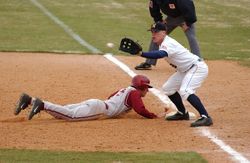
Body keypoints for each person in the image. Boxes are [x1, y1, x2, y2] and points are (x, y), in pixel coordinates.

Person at [135, 22, 212, 127]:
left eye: (156, 32)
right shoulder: (162, 44)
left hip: (196, 68)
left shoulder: (168, 43)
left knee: (185, 91)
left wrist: (141, 53)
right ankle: (182, 113)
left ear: (164, 32)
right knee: (168, 88)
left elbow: (160, 54)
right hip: (184, 70)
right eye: (152, 32)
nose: (153, 34)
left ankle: (205, 117)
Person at [14, 75, 166, 121]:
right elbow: (140, 110)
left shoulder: (126, 89)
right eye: (146, 87)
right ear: (142, 87)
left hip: (96, 103)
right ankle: (42, 104)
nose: (147, 90)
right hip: (99, 109)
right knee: (70, 116)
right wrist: (153, 116)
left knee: (66, 110)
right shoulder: (135, 94)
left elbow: (111, 97)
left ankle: (30, 100)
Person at [135, 0, 201, 70]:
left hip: (184, 17)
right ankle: (149, 62)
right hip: (171, 19)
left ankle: (198, 62)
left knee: (191, 38)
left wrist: (188, 23)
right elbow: (154, 10)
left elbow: (189, 7)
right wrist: (159, 22)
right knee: (157, 36)